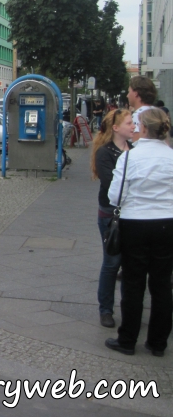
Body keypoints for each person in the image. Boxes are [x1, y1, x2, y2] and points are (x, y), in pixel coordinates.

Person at [104, 108, 173, 356]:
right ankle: (157, 342)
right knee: (162, 284)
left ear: (144, 128)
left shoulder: (129, 157)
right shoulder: (171, 156)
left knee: (133, 284)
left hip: (135, 223)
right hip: (167, 223)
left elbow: (115, 196)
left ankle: (128, 340)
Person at [90, 108, 134, 328]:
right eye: (129, 124)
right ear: (116, 128)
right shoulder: (105, 152)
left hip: (133, 213)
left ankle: (129, 307)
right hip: (111, 212)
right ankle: (105, 309)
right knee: (112, 262)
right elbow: (110, 185)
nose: (133, 126)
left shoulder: (134, 150)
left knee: (130, 263)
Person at [127, 75, 157, 143]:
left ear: (136, 94)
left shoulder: (138, 115)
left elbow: (136, 145)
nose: (127, 95)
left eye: (129, 91)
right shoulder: (158, 113)